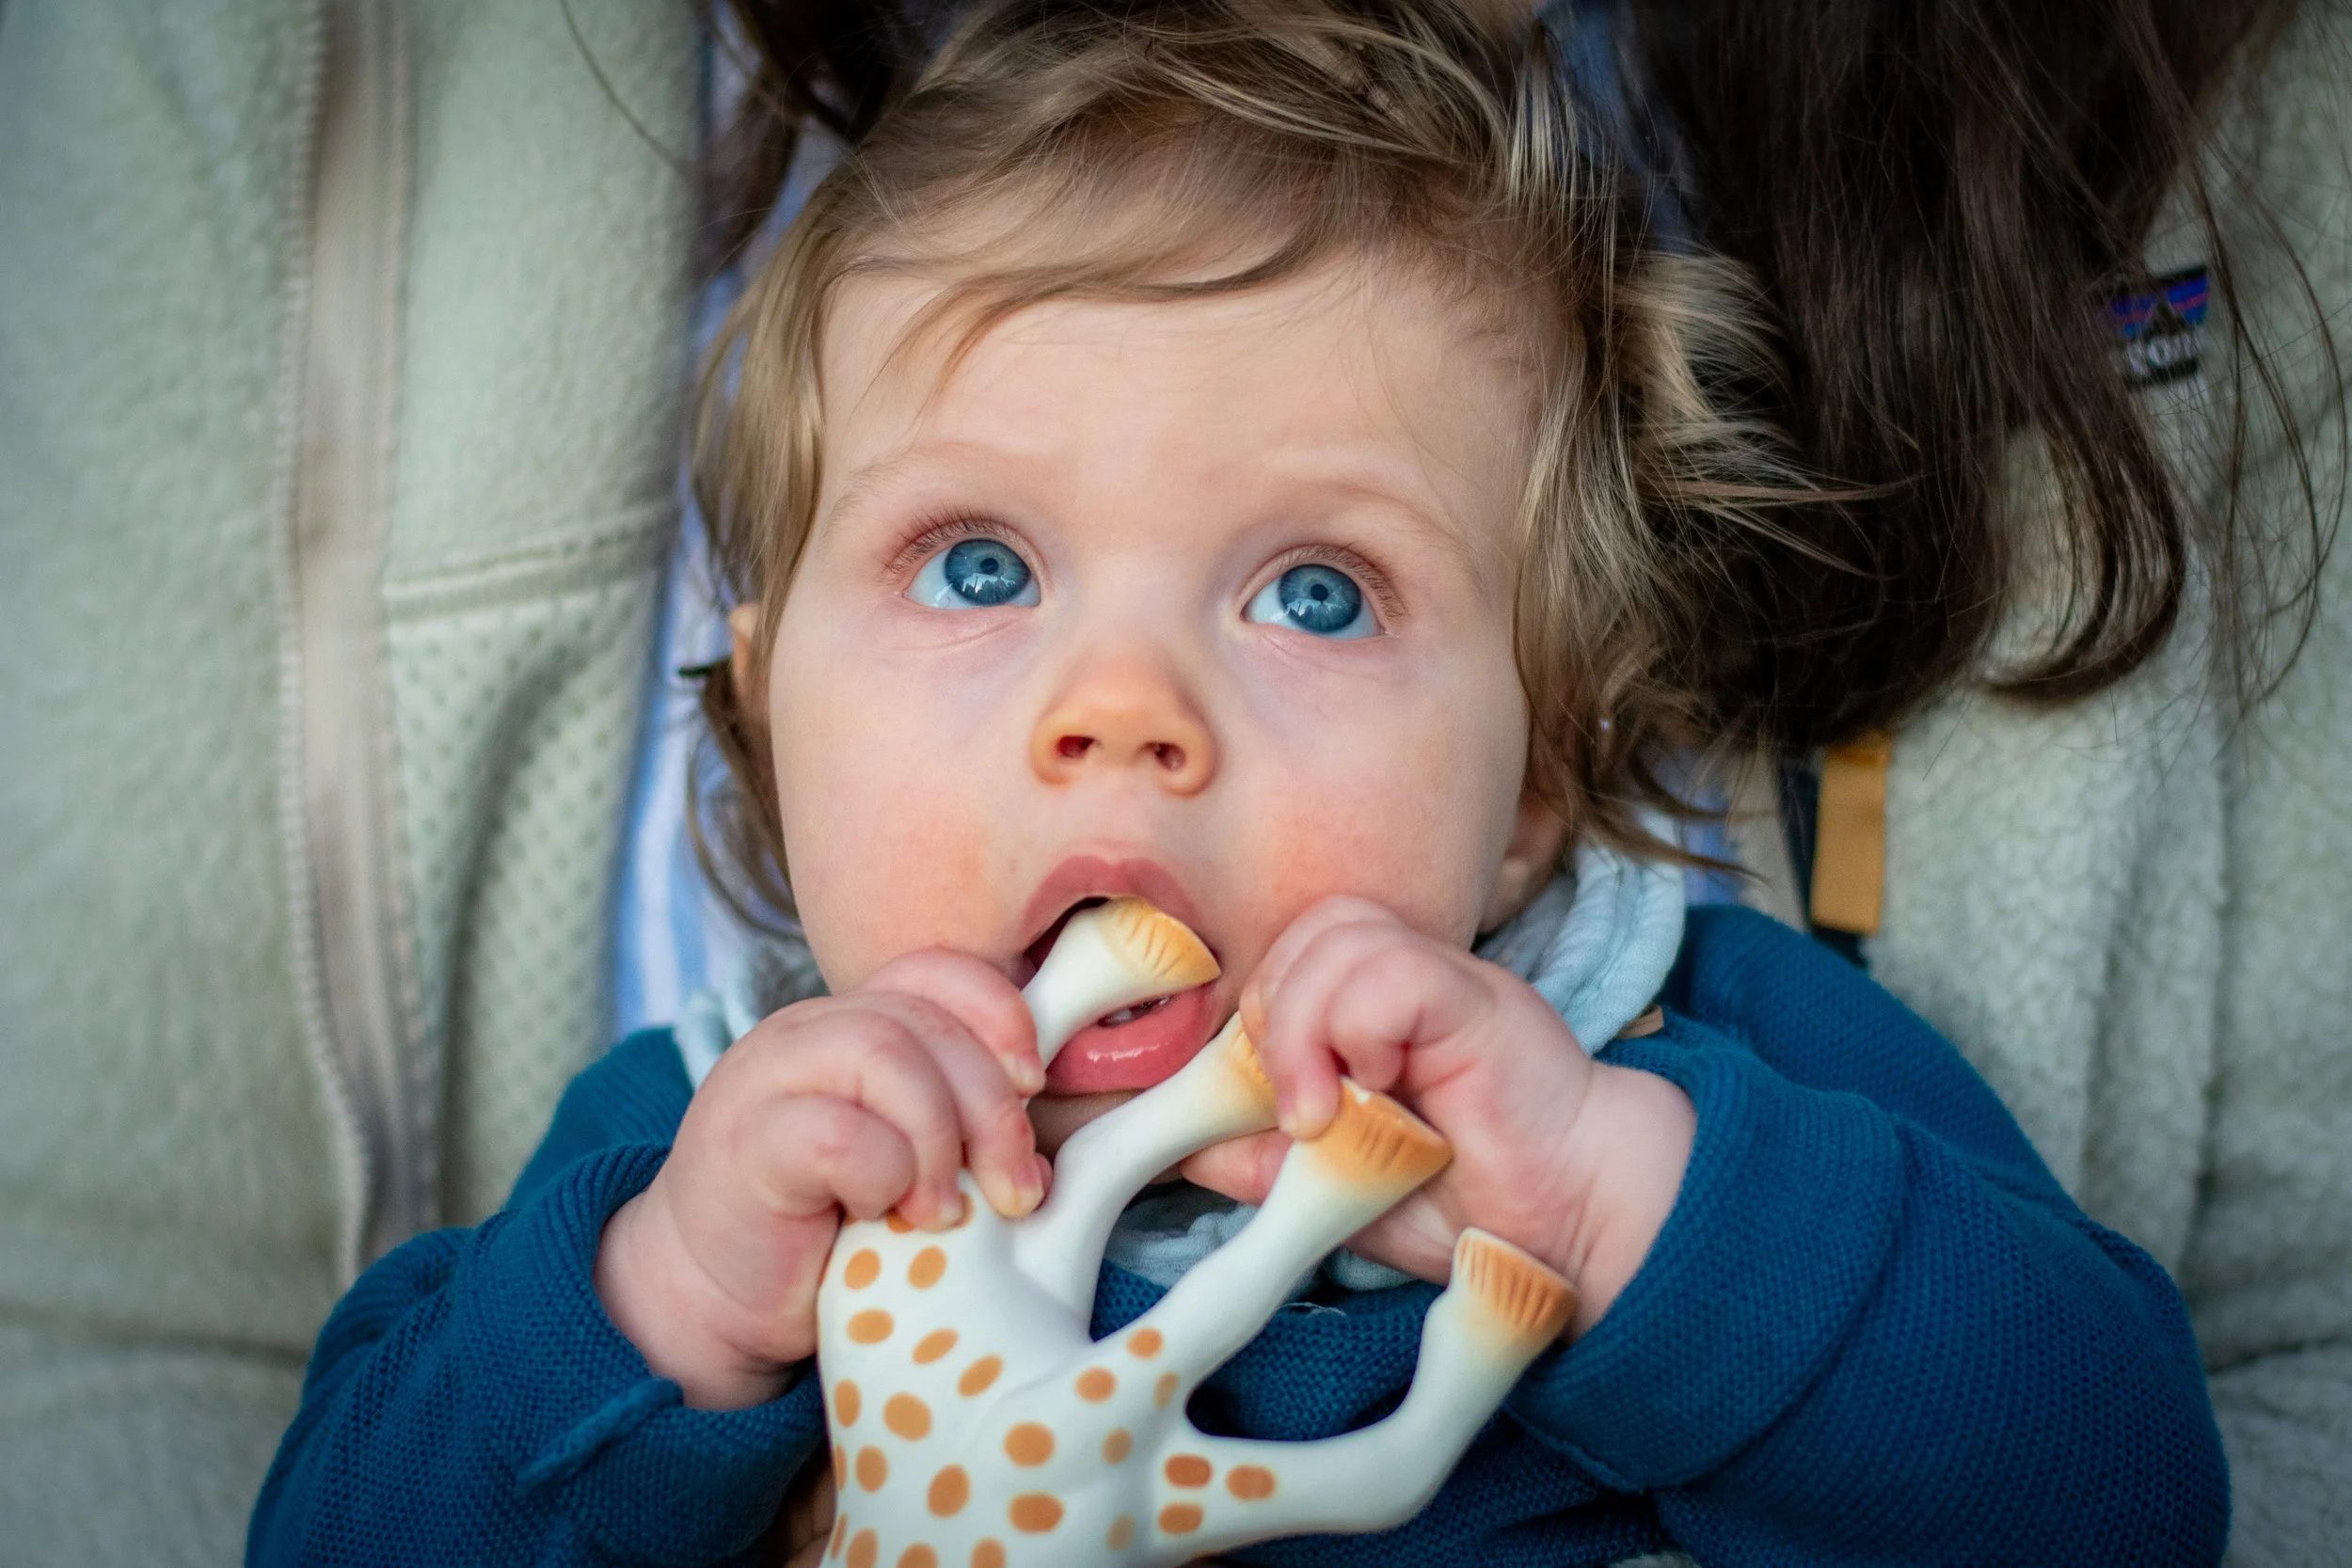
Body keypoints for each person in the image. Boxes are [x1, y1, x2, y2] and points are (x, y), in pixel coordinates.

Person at [247, 3, 2233, 1564]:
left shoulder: (1661, 1050)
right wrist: (660, 1306)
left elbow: (2120, 1496)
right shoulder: (698, 1152)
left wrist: (1625, 1213)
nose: (1124, 707)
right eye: (977, 564)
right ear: (766, 714)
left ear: (1532, 773)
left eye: (1310, 590)